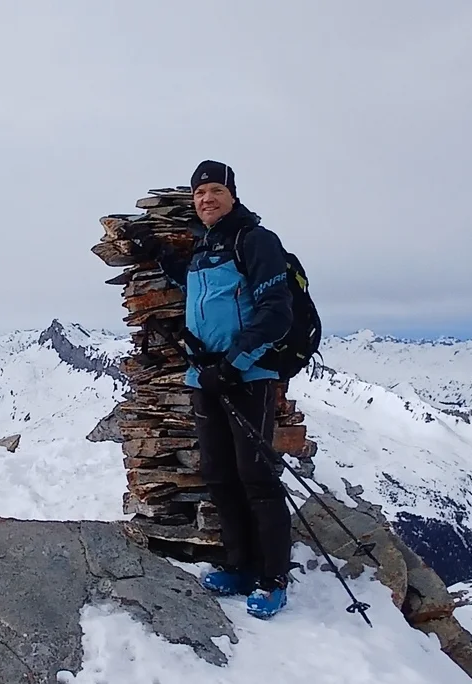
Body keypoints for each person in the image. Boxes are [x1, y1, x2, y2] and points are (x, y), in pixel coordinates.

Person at [128, 160, 295, 619]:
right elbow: (194, 286)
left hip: (248, 377)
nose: (206, 199)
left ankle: (274, 577)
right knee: (219, 476)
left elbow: (277, 313)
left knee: (256, 478)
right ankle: (238, 565)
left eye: (215, 191)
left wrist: (235, 362)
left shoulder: (255, 241)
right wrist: (158, 252)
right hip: (204, 377)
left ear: (233, 195)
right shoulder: (207, 246)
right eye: (200, 193)